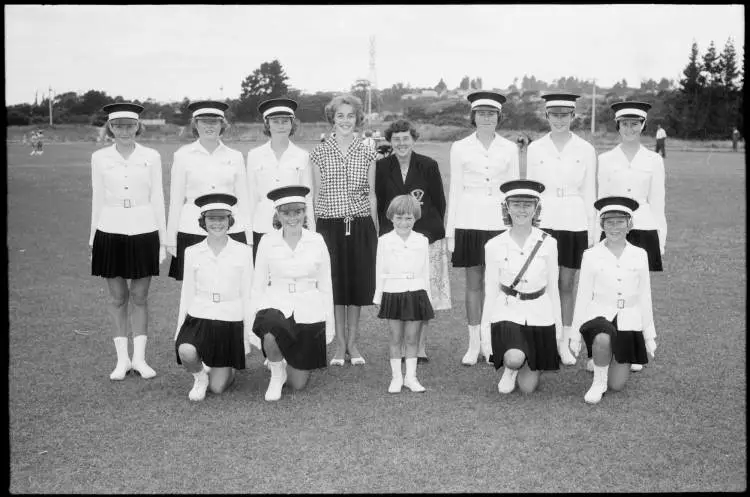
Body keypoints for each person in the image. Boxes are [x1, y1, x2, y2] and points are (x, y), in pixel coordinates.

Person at [90, 103, 166, 380]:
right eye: (118, 125)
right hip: (109, 229)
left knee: (140, 297)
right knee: (118, 298)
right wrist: (93, 240)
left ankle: (140, 359)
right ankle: (122, 361)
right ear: (110, 127)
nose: (124, 130)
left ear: (138, 126)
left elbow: (157, 197)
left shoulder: (152, 156)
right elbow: (98, 198)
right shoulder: (99, 158)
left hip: (145, 229)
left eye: (129, 125)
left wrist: (162, 239)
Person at [445, 91, 520, 366]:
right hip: (469, 220)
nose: (486, 118)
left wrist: (517, 229)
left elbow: (515, 192)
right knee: (474, 284)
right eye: (481, 113)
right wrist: (451, 230)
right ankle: (474, 343)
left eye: (491, 114)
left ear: (499, 117)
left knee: (500, 285)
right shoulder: (460, 147)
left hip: (500, 224)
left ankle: (494, 341)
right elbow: (455, 190)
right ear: (473, 116)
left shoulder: (510, 148)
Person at [526, 92, 597, 367]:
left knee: (567, 284)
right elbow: (531, 191)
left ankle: (565, 341)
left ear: (573, 116)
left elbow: (590, 193)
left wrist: (592, 233)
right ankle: (546, 337)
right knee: (543, 284)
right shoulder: (535, 149)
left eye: (564, 114)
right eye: (554, 114)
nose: (559, 119)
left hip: (574, 220)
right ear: (546, 116)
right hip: (544, 223)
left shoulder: (586, 150)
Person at [309, 94, 378, 366]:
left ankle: (353, 343)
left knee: (356, 289)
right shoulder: (319, 152)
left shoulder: (368, 150)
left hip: (360, 225)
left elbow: (372, 195)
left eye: (351, 116)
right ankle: (339, 346)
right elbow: (316, 196)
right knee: (336, 287)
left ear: (357, 119)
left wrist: (373, 229)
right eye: (341, 116)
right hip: (330, 227)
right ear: (332, 118)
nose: (346, 121)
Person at [568, 196, 657, 404]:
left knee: (616, 385)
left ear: (629, 225)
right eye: (609, 222)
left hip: (629, 318)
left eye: (620, 222)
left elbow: (645, 295)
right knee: (602, 339)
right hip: (600, 314)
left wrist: (649, 335)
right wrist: (574, 334)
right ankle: (598, 381)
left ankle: (603, 360)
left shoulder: (640, 254)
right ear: (602, 225)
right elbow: (582, 295)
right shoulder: (591, 255)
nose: (614, 227)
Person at [598, 101, 665, 372]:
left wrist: (661, 240)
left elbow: (658, 202)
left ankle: (638, 346)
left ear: (643, 125)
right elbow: (600, 202)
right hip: (613, 229)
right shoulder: (605, 159)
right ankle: (607, 344)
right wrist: (596, 238)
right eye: (624, 123)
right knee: (608, 288)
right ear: (618, 125)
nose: (630, 128)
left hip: (644, 229)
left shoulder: (654, 160)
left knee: (637, 291)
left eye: (635, 123)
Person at [375, 119, 450, 363]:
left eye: (405, 138)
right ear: (390, 141)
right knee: (399, 291)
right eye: (396, 139)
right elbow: (380, 203)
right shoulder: (381, 166)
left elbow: (439, 202)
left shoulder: (428, 165)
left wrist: (426, 233)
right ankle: (400, 344)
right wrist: (390, 235)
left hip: (426, 238)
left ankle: (420, 347)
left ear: (413, 139)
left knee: (422, 293)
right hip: (395, 238)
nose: (401, 143)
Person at [251, 185, 334, 401]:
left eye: (297, 212)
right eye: (286, 213)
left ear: (305, 213)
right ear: (277, 214)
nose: (292, 218)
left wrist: (329, 326)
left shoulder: (317, 241)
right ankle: (276, 374)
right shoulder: (267, 241)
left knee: (298, 384)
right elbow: (258, 284)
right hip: (276, 303)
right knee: (269, 331)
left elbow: (325, 285)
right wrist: (253, 326)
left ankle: (283, 358)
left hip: (308, 308)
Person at [482, 179, 562, 394]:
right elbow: (490, 292)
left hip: (540, 313)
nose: (521, 210)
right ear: (507, 207)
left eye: (527, 205)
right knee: (514, 358)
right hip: (508, 311)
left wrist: (559, 333)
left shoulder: (549, 243)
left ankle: (528, 359)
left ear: (536, 208)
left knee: (528, 389)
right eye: (516, 204)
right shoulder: (494, 245)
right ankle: (511, 368)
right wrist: (484, 337)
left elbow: (553, 289)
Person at [175, 193, 257, 401]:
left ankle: (226, 366)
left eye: (222, 218)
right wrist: (179, 331)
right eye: (211, 219)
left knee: (218, 388)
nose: (217, 223)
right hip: (199, 315)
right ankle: (200, 377)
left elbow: (248, 295)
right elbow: (187, 293)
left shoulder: (243, 252)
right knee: (185, 351)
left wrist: (247, 336)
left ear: (230, 220)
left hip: (229, 320)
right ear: (203, 222)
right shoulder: (192, 251)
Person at [166, 100, 251, 281]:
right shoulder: (182, 155)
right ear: (195, 124)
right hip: (192, 230)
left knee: (229, 286)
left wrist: (248, 236)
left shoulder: (235, 157)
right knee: (194, 291)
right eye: (204, 121)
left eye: (214, 121)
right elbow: (176, 200)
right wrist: (171, 237)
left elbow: (243, 199)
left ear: (222, 124)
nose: (209, 126)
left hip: (230, 229)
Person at [374, 195, 434, 393]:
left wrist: (428, 297)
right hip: (392, 292)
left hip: (416, 293)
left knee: (411, 338)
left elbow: (426, 271)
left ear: (415, 218)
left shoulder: (422, 241)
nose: (403, 223)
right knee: (395, 337)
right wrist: (379, 296)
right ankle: (396, 378)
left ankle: (411, 377)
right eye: (399, 218)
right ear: (391, 218)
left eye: (408, 218)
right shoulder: (384, 241)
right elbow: (380, 269)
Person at [247, 97, 314, 263]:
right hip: (262, 225)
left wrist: (311, 230)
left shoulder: (302, 155)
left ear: (292, 124)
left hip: (293, 226)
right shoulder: (254, 155)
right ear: (267, 124)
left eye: (285, 121)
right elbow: (251, 196)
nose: (281, 125)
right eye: (275, 121)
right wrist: (248, 235)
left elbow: (308, 197)